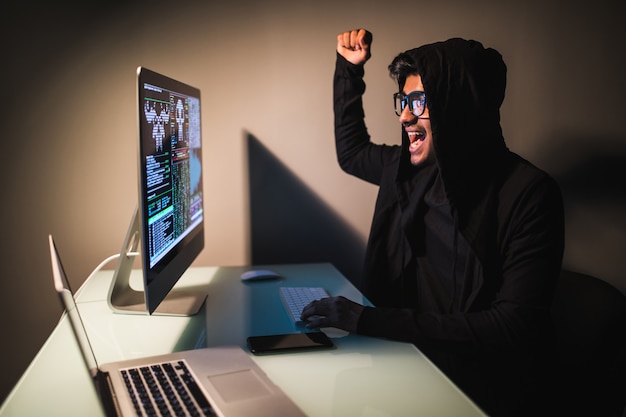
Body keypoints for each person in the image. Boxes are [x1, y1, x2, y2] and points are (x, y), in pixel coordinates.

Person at [301, 29, 565, 417]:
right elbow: (352, 152)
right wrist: (349, 70)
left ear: (458, 106)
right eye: (403, 102)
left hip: (478, 391)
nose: (405, 115)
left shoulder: (529, 193)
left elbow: (512, 326)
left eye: (419, 101)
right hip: (403, 363)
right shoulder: (405, 170)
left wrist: (369, 320)